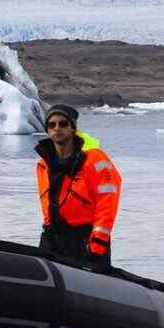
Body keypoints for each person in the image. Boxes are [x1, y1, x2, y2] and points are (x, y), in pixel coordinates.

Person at [35, 104, 122, 270]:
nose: (57, 128)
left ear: (73, 128)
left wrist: (98, 241)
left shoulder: (94, 159)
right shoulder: (43, 165)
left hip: (85, 238)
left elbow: (107, 201)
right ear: (47, 130)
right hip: (53, 237)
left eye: (63, 124)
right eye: (52, 125)